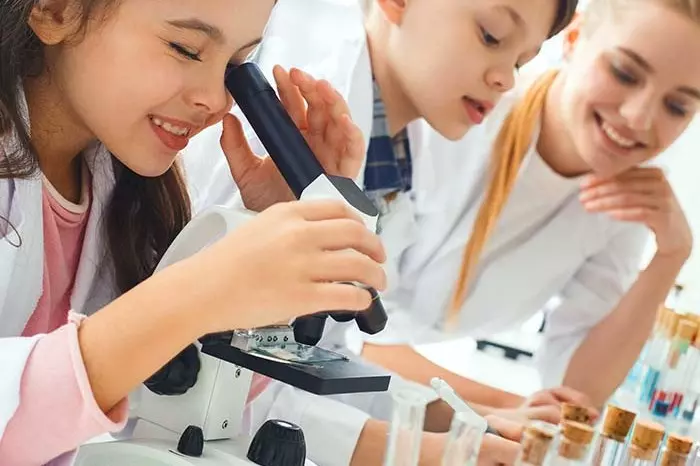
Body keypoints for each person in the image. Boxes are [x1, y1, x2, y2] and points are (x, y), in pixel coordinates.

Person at [182, 0, 581, 465]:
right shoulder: (299, 126)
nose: (507, 79)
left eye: (520, 62)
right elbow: (208, 363)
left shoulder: (399, 154)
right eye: (491, 36)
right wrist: (424, 451)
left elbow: (318, 355)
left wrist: (469, 424)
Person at [0, 0, 388, 464]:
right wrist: (196, 295)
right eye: (185, 48)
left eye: (235, 67)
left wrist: (267, 224)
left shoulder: (124, 193)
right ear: (56, 11)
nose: (216, 99)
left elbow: (174, 398)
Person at [362, 0, 699, 414]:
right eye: (625, 73)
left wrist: (672, 255)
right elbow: (352, 337)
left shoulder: (624, 206)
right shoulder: (459, 105)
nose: (638, 117)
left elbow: (576, 395)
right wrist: (508, 409)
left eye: (678, 106)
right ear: (573, 38)